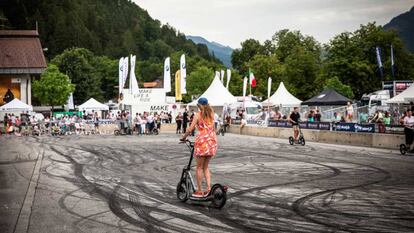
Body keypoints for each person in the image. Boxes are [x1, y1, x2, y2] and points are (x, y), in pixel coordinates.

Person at [180, 97, 217, 198]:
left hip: (202, 142)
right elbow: (214, 129)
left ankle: (200, 191)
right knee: (206, 167)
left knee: (199, 167)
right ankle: (209, 188)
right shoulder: (212, 114)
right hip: (212, 141)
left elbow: (190, 129)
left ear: (199, 105)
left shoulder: (198, 115)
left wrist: (183, 137)